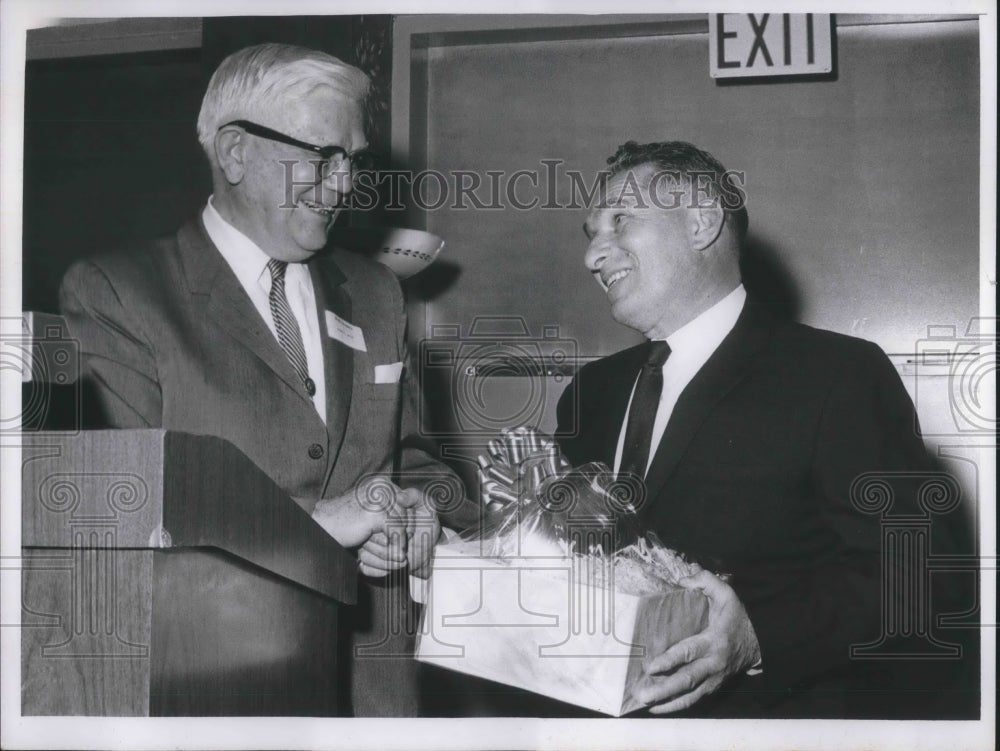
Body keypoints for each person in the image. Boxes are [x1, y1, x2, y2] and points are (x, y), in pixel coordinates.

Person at [59, 43, 468, 716]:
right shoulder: (119, 293)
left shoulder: (376, 292)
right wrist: (318, 522)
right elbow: (124, 512)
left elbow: (418, 460)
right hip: (216, 688)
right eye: (322, 156)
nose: (344, 184)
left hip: (372, 696)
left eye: (353, 160)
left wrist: (423, 514)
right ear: (234, 152)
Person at [555, 140, 937, 718]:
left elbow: (914, 577)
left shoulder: (839, 374)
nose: (592, 256)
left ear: (701, 223)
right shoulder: (590, 391)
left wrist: (757, 636)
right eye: (591, 234)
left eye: (621, 221)